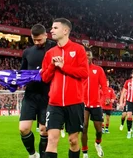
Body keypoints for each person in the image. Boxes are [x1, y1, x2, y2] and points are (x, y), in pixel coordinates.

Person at [41, 18, 88, 158]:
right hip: (54, 104)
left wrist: (64, 66)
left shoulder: (78, 49)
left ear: (65, 30)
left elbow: (84, 73)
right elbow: (44, 78)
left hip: (75, 103)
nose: (51, 30)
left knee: (73, 140)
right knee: (52, 139)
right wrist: (52, 66)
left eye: (55, 28)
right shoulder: (50, 53)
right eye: (52, 28)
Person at [19, 23, 56, 158]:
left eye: (39, 39)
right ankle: (32, 154)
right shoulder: (27, 52)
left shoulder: (54, 48)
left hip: (48, 95)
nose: (37, 42)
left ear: (46, 35)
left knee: (44, 130)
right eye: (34, 40)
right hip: (30, 94)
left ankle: (42, 155)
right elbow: (22, 73)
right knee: (23, 128)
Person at [81, 46, 108, 158]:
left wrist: (106, 96)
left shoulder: (98, 69)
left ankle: (97, 143)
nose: (87, 57)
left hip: (96, 103)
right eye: (85, 55)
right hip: (83, 103)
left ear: (92, 57)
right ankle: (85, 152)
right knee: (84, 126)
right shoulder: (78, 69)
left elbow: (104, 85)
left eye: (89, 55)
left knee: (99, 130)